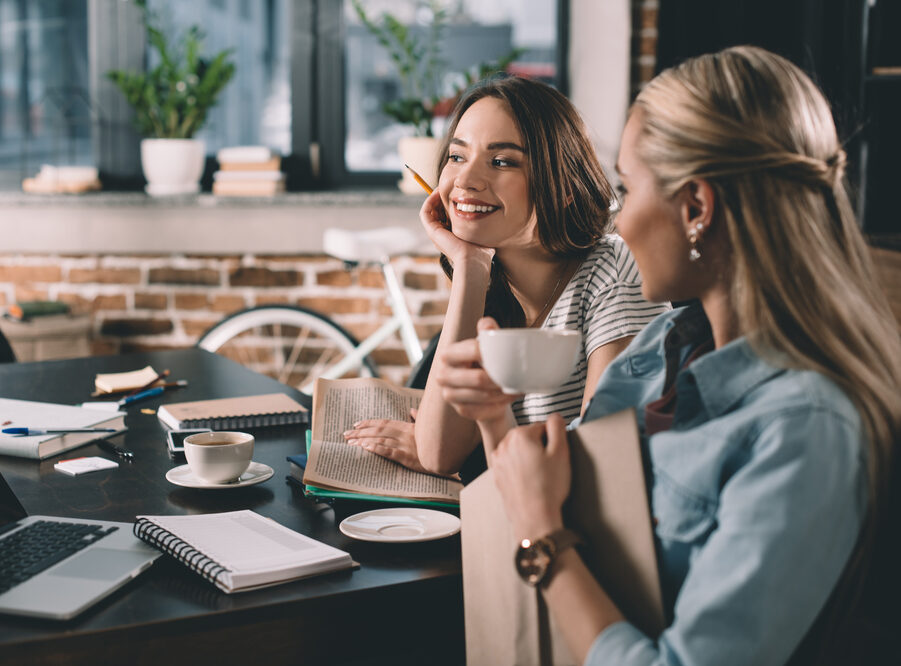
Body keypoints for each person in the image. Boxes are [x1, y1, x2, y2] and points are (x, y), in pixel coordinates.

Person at [435, 46, 901, 664]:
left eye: (627, 190)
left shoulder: (805, 428)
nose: (618, 223)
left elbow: (546, 523)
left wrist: (544, 542)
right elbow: (548, 491)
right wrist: (495, 420)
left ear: (697, 209)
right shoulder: (662, 348)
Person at [344, 76, 669, 476]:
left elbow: (601, 462)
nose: (465, 181)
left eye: (502, 162)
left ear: (563, 185)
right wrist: (469, 268)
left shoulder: (616, 273)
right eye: (457, 157)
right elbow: (439, 454)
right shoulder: (490, 279)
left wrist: (474, 453)